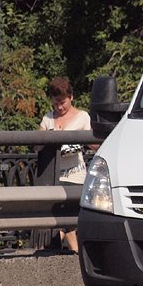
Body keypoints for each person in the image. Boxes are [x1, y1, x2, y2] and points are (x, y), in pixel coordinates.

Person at [39, 77, 93, 253]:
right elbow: (37, 143)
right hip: (54, 175)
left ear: (71, 97)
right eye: (55, 103)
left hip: (75, 175)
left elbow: (94, 144)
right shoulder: (48, 118)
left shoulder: (82, 116)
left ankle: (66, 249)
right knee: (58, 216)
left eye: (62, 103)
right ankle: (66, 251)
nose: (59, 107)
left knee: (65, 214)